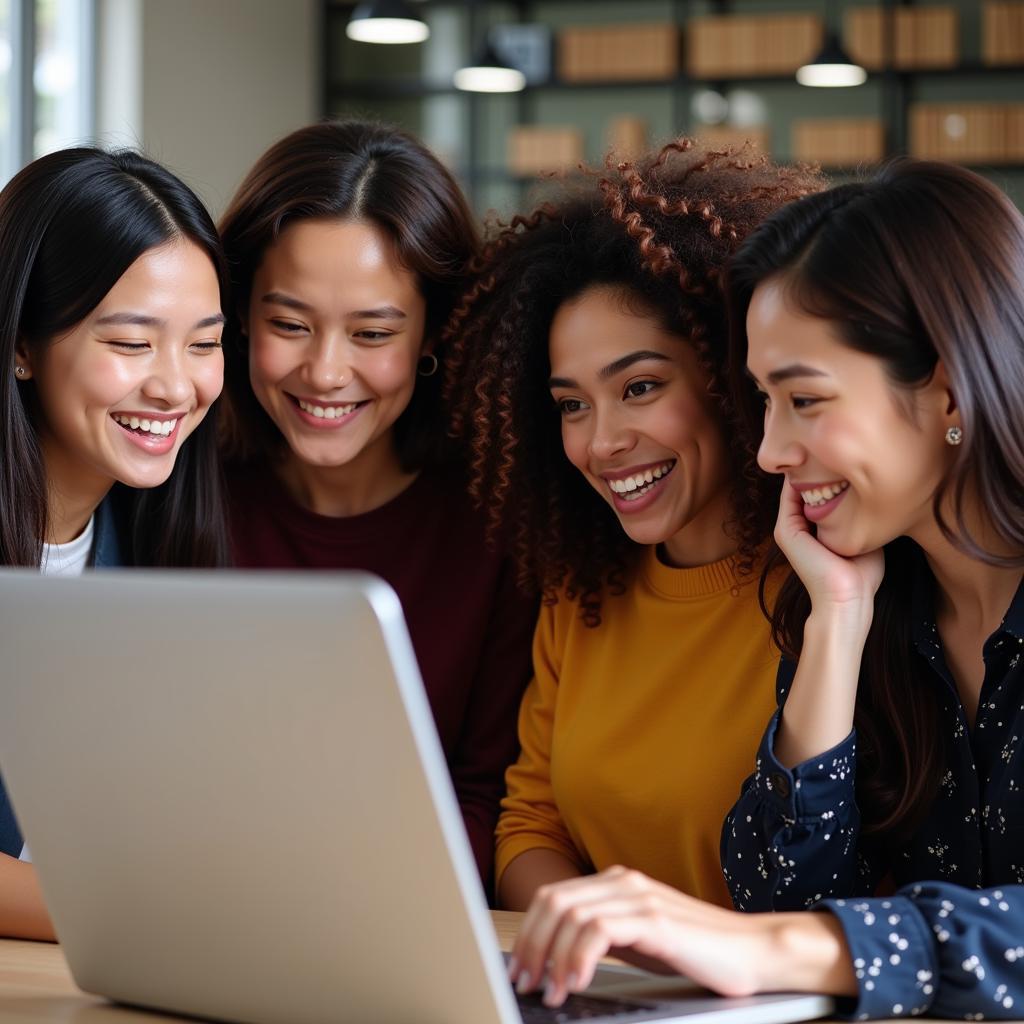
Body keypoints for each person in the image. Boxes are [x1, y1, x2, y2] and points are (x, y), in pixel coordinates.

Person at [506, 160, 1024, 1021]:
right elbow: (778, 900)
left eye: (805, 400)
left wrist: (790, 948)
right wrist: (839, 627)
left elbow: (778, 943)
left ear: (942, 387)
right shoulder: (871, 604)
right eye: (761, 400)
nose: (769, 451)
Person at [443, 139, 821, 913]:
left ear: (730, 375)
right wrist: (594, 940)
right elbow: (530, 823)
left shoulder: (831, 590)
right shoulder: (583, 592)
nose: (601, 440)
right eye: (572, 404)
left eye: (640, 387)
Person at [217, 120, 535, 887]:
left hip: (403, 903)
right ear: (238, 316)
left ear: (434, 332)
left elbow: (484, 794)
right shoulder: (182, 489)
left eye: (372, 333)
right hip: (192, 903)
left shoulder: (498, 519)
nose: (325, 372)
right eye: (288, 324)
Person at [0, 146, 230, 939]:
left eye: (204, 344)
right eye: (132, 343)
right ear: (22, 346)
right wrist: (148, 914)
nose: (175, 386)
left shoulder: (150, 540)